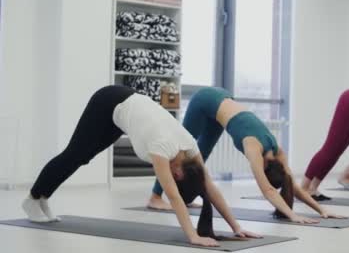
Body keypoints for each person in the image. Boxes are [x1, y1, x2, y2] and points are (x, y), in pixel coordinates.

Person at [22, 85, 258, 247]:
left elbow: (210, 188)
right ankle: (33, 199)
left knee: (83, 158)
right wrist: (193, 236)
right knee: (74, 155)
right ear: (178, 173)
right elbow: (175, 198)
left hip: (123, 110)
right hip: (108, 102)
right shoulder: (162, 148)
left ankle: (43, 197)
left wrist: (236, 227)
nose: (172, 183)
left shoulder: (189, 149)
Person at [148, 86, 342, 223]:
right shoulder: (253, 149)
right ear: (265, 170)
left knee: (201, 154)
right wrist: (293, 216)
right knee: (179, 151)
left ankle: (186, 197)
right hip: (205, 99)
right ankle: (155, 197)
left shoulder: (278, 153)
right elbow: (268, 190)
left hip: (223, 100)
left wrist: (321, 210)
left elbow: (292, 184)